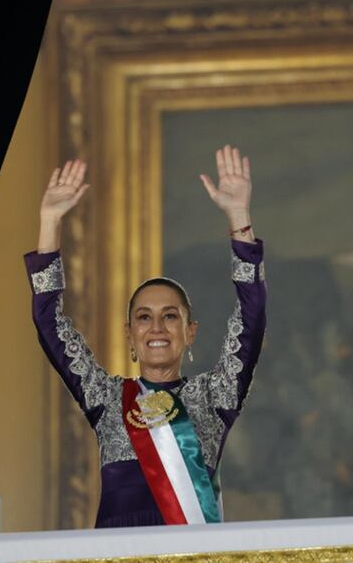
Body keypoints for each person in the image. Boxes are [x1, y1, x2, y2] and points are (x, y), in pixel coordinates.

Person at [25, 146, 266, 527]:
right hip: (120, 550)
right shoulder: (106, 397)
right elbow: (48, 323)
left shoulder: (214, 396)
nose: (156, 327)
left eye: (170, 316)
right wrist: (50, 221)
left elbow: (251, 319)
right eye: (143, 317)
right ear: (129, 334)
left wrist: (239, 216)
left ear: (190, 332)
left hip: (190, 552)